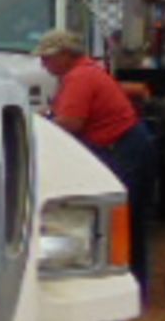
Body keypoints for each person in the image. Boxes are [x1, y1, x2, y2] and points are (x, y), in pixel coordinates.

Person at [35, 28, 157, 299]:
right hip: (128, 144)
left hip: (123, 149)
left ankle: (128, 286)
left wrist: (42, 127)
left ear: (66, 55)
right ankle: (134, 284)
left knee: (120, 220)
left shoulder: (79, 77)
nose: (43, 64)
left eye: (47, 58)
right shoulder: (86, 72)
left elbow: (71, 123)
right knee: (129, 219)